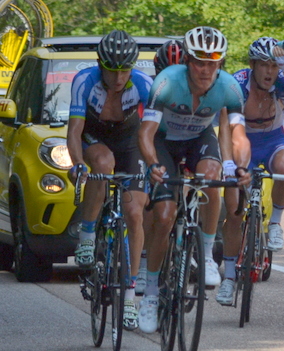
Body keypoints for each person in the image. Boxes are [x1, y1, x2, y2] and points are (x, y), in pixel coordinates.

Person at [137, 26, 251, 333]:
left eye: (213, 62)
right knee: (163, 216)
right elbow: (146, 133)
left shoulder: (229, 88)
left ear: (220, 63)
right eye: (199, 61)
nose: (205, 69)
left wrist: (240, 167)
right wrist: (152, 164)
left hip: (198, 138)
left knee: (211, 177)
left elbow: (238, 136)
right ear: (187, 60)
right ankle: (149, 293)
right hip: (164, 143)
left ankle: (206, 250)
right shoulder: (166, 83)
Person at [67, 30, 152, 331]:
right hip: (96, 136)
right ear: (100, 65)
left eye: (125, 69)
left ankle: (130, 295)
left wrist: (158, 164)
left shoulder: (143, 84)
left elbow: (156, 129)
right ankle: (88, 234)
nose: (118, 77)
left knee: (134, 213)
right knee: (102, 164)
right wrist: (79, 164)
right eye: (112, 70)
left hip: (130, 140)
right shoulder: (85, 81)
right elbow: (75, 131)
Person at [215, 36, 284, 306]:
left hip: (273, 141)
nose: (270, 71)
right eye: (264, 65)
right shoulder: (237, 84)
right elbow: (226, 130)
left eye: (273, 65)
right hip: (240, 140)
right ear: (252, 65)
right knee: (233, 212)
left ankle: (276, 223)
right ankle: (230, 277)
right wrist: (230, 164)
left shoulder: (281, 79)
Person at [134, 38, 186, 295]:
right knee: (149, 199)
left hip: (184, 141)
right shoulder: (152, 89)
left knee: (192, 184)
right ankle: (144, 260)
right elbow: (143, 130)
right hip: (157, 142)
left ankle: (188, 241)